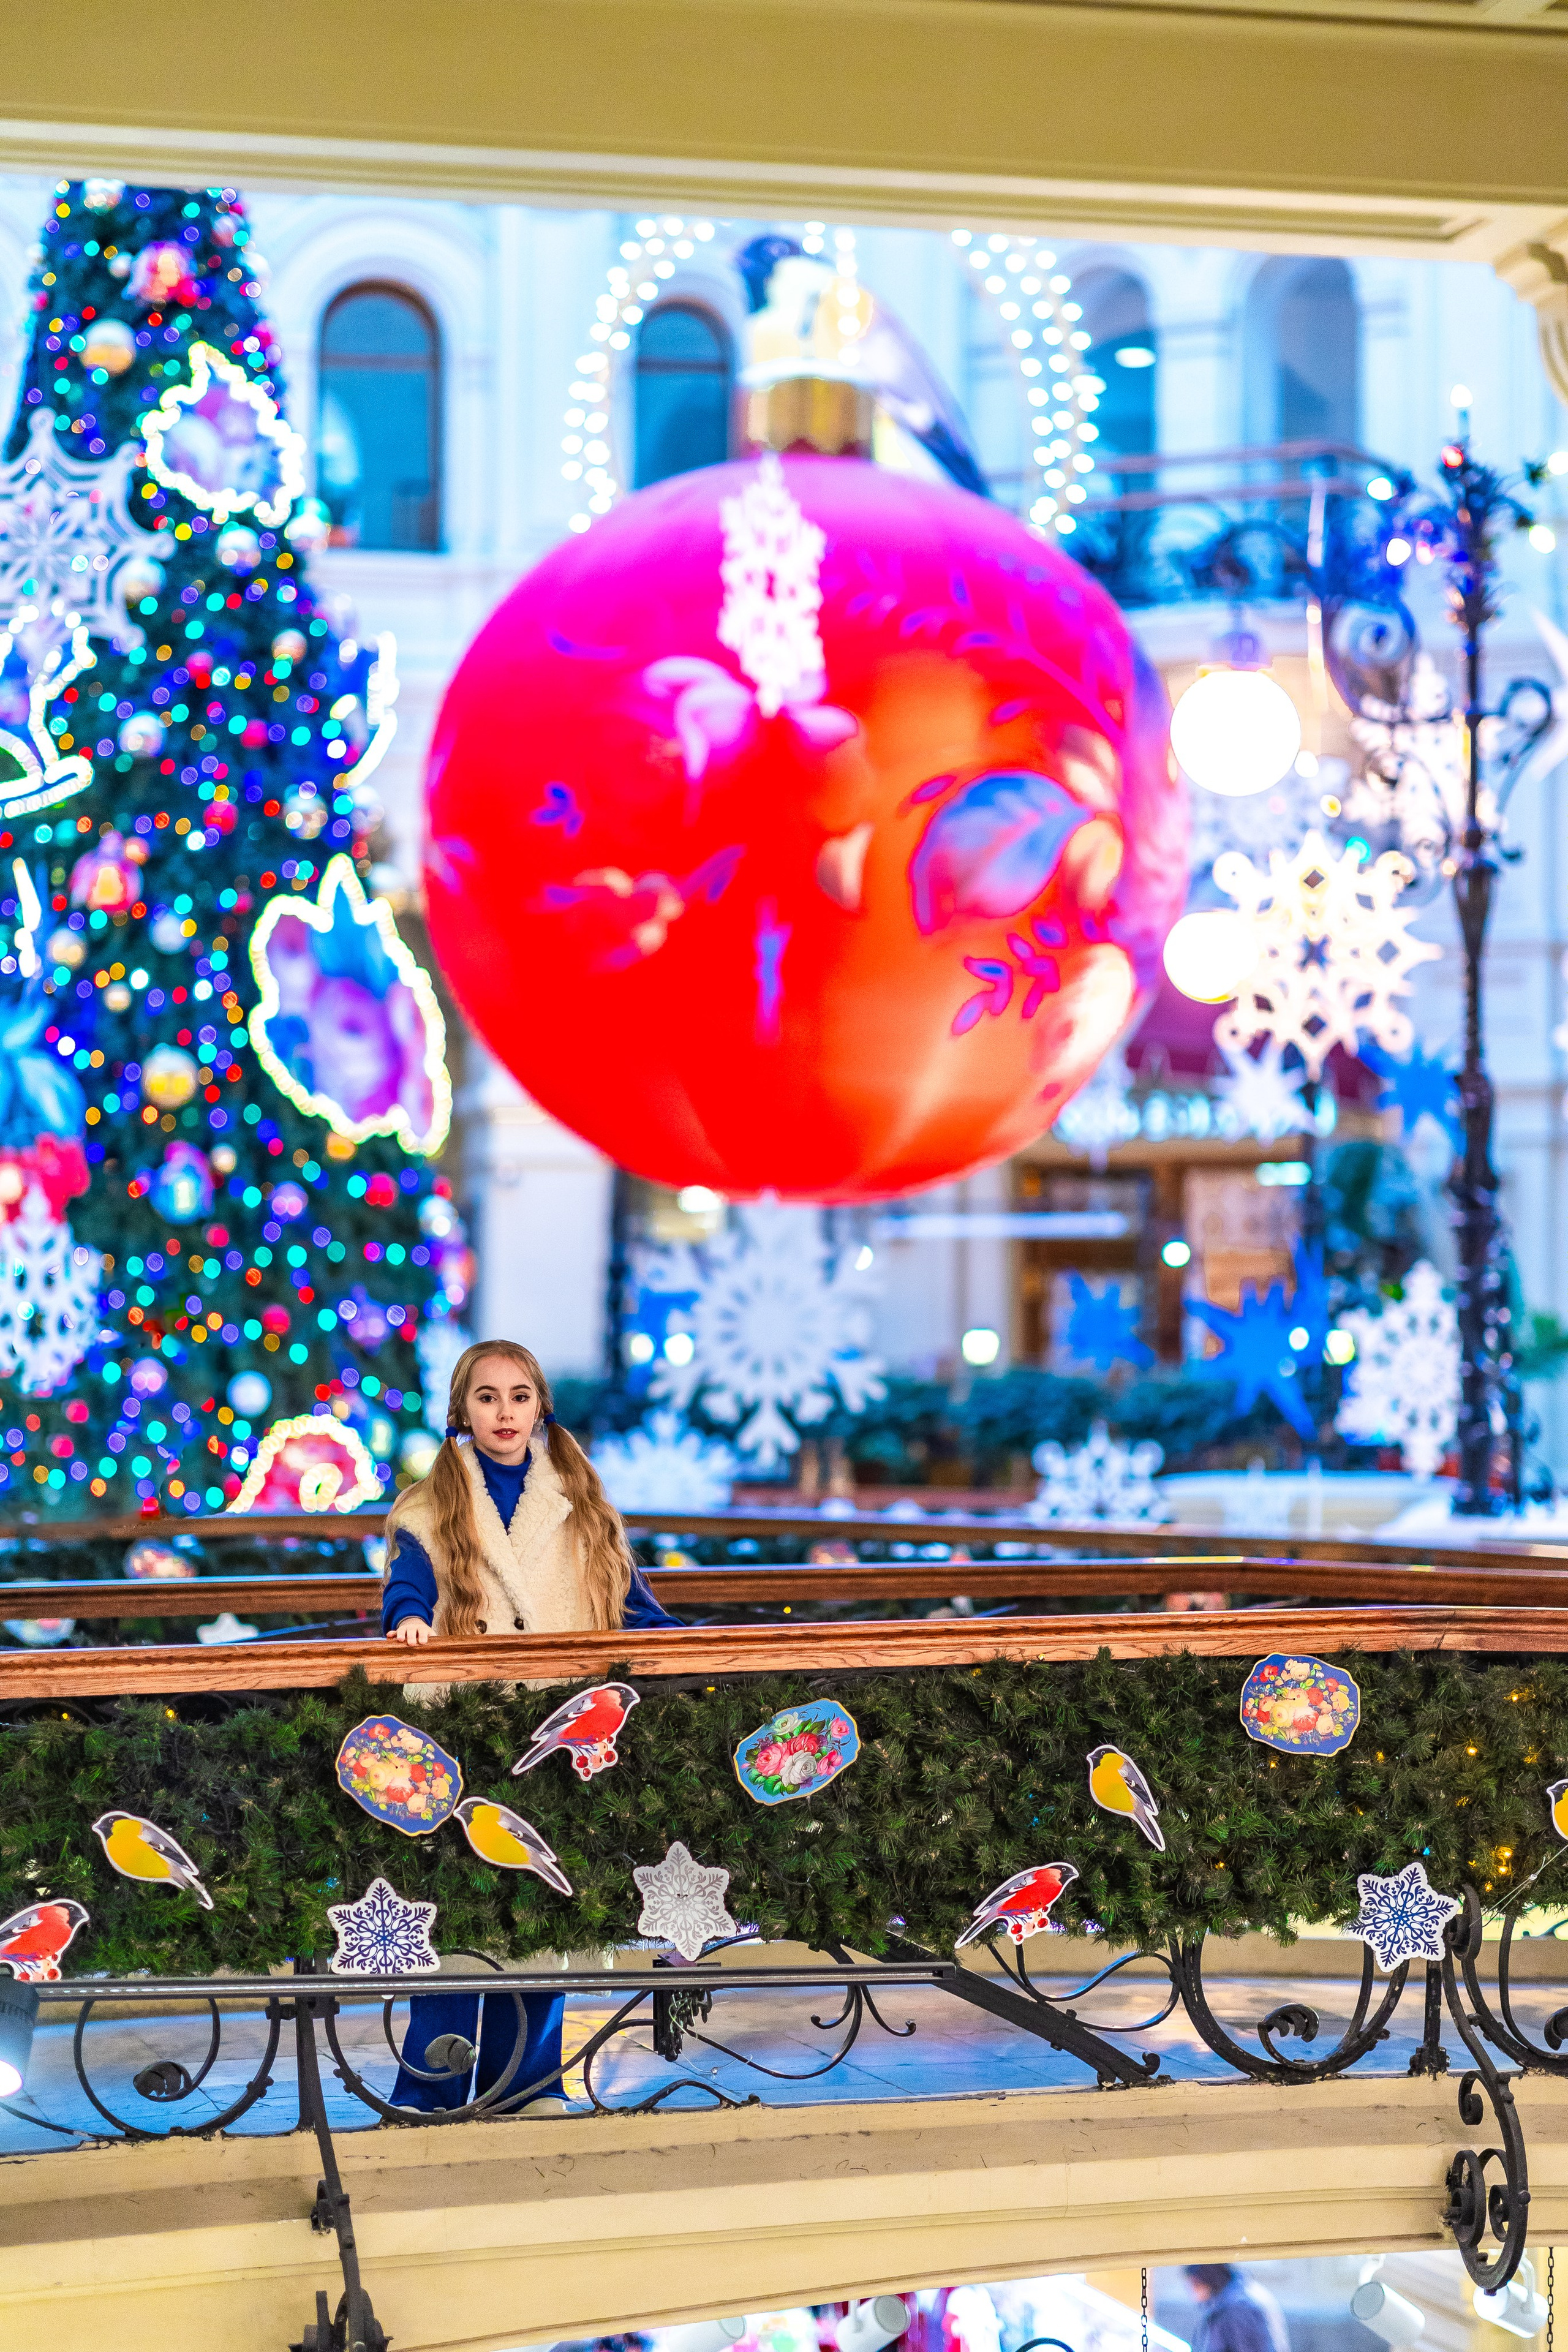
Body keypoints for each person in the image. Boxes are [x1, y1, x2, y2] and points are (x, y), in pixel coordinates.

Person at [380, 1338, 680, 2113]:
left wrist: (682, 1648)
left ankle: (526, 2085)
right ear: (462, 1410)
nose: (504, 1411)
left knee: (544, 1906)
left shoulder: (583, 1502)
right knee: (459, 1909)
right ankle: (432, 2085)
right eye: (487, 1397)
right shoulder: (427, 1504)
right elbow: (409, 1586)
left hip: (559, 1725)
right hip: (466, 1727)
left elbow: (632, 1606)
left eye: (518, 1396)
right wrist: (412, 1621)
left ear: (539, 1407)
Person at [1184, 2265, 1291, 2352]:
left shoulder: (1238, 2308)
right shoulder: (1232, 2299)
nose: (1191, 2292)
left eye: (1194, 2284)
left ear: (1207, 2278)